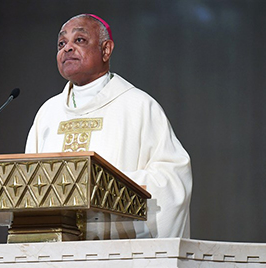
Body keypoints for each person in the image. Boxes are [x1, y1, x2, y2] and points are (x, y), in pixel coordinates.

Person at [25, 14, 192, 239]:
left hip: (117, 253)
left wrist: (108, 187)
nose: (67, 49)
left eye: (80, 40)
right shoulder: (48, 113)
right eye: (62, 44)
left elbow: (173, 180)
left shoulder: (139, 106)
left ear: (106, 50)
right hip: (56, 250)